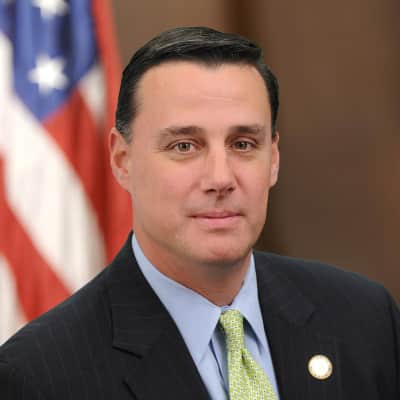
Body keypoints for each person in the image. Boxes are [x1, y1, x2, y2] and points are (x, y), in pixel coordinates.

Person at [0, 26, 399, 400]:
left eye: (243, 144)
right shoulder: (38, 375)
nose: (220, 178)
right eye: (184, 146)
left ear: (274, 159)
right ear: (122, 160)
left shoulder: (366, 320)